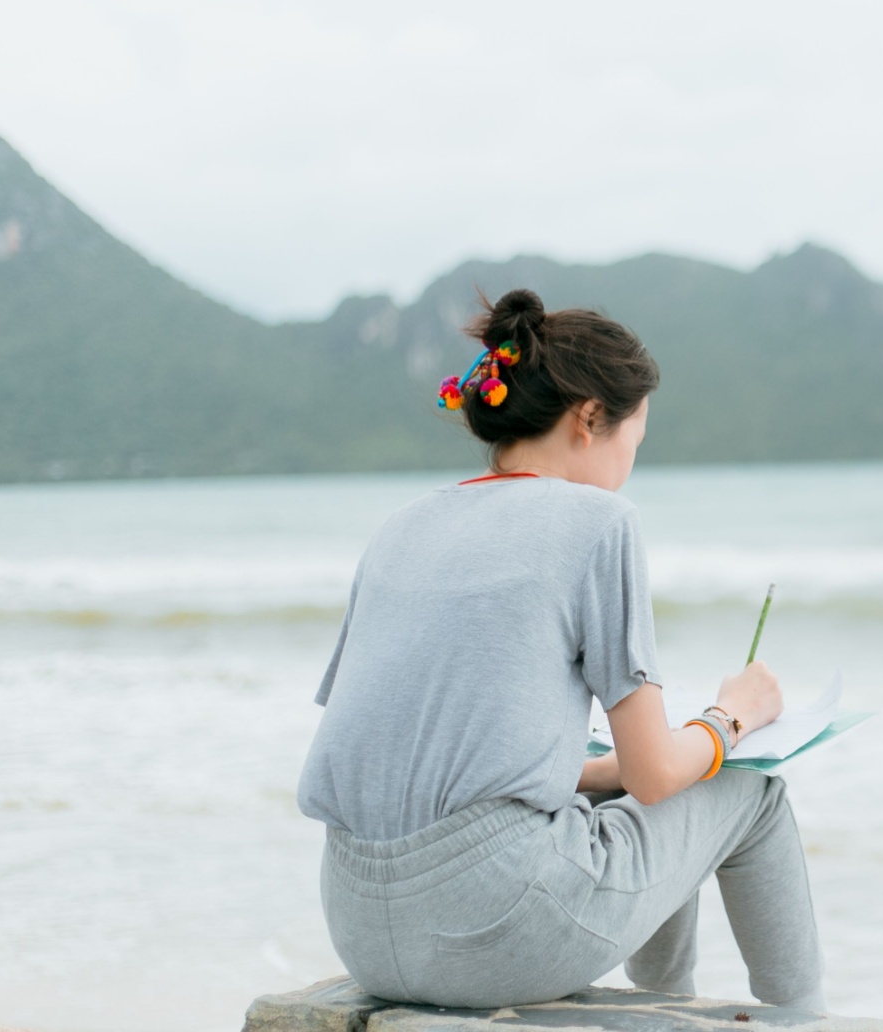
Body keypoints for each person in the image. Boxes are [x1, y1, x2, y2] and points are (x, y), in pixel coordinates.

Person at [295, 289, 824, 1011]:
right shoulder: (598, 521)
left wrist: (604, 769)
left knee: (622, 789)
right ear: (589, 419)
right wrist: (734, 716)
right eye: (633, 443)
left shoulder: (401, 526)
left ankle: (667, 1004)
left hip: (360, 927)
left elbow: (423, 765)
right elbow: (657, 775)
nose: (628, 468)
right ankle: (803, 1020)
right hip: (499, 928)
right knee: (751, 792)